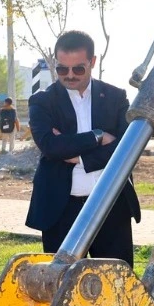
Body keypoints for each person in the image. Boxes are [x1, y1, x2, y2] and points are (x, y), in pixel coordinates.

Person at [26, 30, 141, 263]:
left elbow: (127, 149)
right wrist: (97, 136)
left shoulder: (115, 97)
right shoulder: (42, 101)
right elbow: (51, 147)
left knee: (114, 287)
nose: (69, 75)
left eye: (78, 68)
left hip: (111, 206)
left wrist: (80, 158)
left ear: (92, 62)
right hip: (60, 209)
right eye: (61, 69)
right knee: (60, 286)